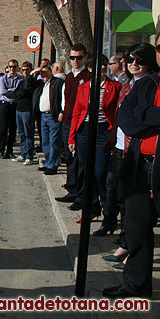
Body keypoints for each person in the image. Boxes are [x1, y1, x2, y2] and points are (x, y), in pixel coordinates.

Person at [103, 36, 160, 299]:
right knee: (137, 229)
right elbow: (127, 115)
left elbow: (142, 113)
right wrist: (145, 119)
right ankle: (135, 285)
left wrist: (145, 114)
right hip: (141, 165)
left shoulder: (151, 81)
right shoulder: (146, 83)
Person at [68, 55, 120, 222]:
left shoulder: (115, 86)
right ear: (90, 69)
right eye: (99, 66)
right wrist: (72, 138)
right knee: (87, 170)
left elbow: (117, 112)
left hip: (104, 131)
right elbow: (77, 113)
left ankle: (108, 212)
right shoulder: (84, 88)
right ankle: (91, 208)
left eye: (105, 65)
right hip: (84, 131)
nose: (103, 68)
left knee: (100, 171)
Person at [58, 44, 92, 209]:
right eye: (72, 57)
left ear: (85, 57)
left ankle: (80, 195)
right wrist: (63, 112)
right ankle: (71, 189)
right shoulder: (70, 77)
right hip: (67, 122)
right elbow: (67, 99)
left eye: (79, 57)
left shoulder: (88, 77)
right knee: (70, 159)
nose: (75, 61)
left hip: (81, 124)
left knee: (81, 160)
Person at [33, 65, 64, 175]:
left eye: (45, 72)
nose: (43, 75)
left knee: (54, 141)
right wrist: (34, 72)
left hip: (53, 115)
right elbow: (28, 85)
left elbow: (63, 97)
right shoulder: (42, 84)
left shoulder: (58, 83)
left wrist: (62, 111)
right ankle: (48, 162)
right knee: (45, 141)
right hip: (43, 116)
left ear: (51, 72)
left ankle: (53, 165)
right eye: (41, 73)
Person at [0, 59, 23, 158]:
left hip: (15, 105)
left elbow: (20, 92)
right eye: (10, 66)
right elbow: (3, 92)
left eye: (14, 67)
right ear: (8, 68)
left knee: (13, 129)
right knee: (3, 128)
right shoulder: (3, 78)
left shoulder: (21, 79)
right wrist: (14, 91)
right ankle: (0, 150)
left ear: (17, 68)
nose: (12, 68)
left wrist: (10, 90)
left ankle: (10, 151)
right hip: (4, 104)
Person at [13, 61, 37, 165]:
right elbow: (16, 94)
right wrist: (21, 93)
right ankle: (23, 153)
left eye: (27, 70)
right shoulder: (21, 82)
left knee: (28, 134)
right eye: (23, 70)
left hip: (27, 110)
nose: (25, 71)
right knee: (21, 134)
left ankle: (29, 156)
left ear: (31, 70)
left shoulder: (32, 81)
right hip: (19, 109)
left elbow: (27, 91)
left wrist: (31, 76)